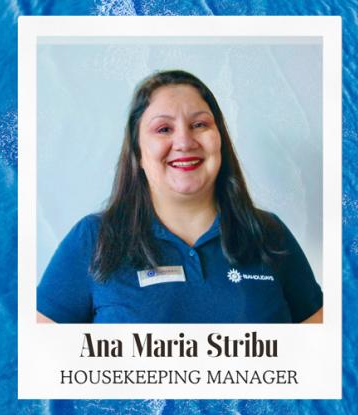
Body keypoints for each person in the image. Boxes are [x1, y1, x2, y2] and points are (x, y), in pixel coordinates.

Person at [37, 70, 323, 324]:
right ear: (138, 151)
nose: (185, 142)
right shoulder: (94, 239)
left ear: (219, 138)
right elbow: (42, 363)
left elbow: (320, 359)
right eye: (164, 129)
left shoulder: (269, 233)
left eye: (200, 125)